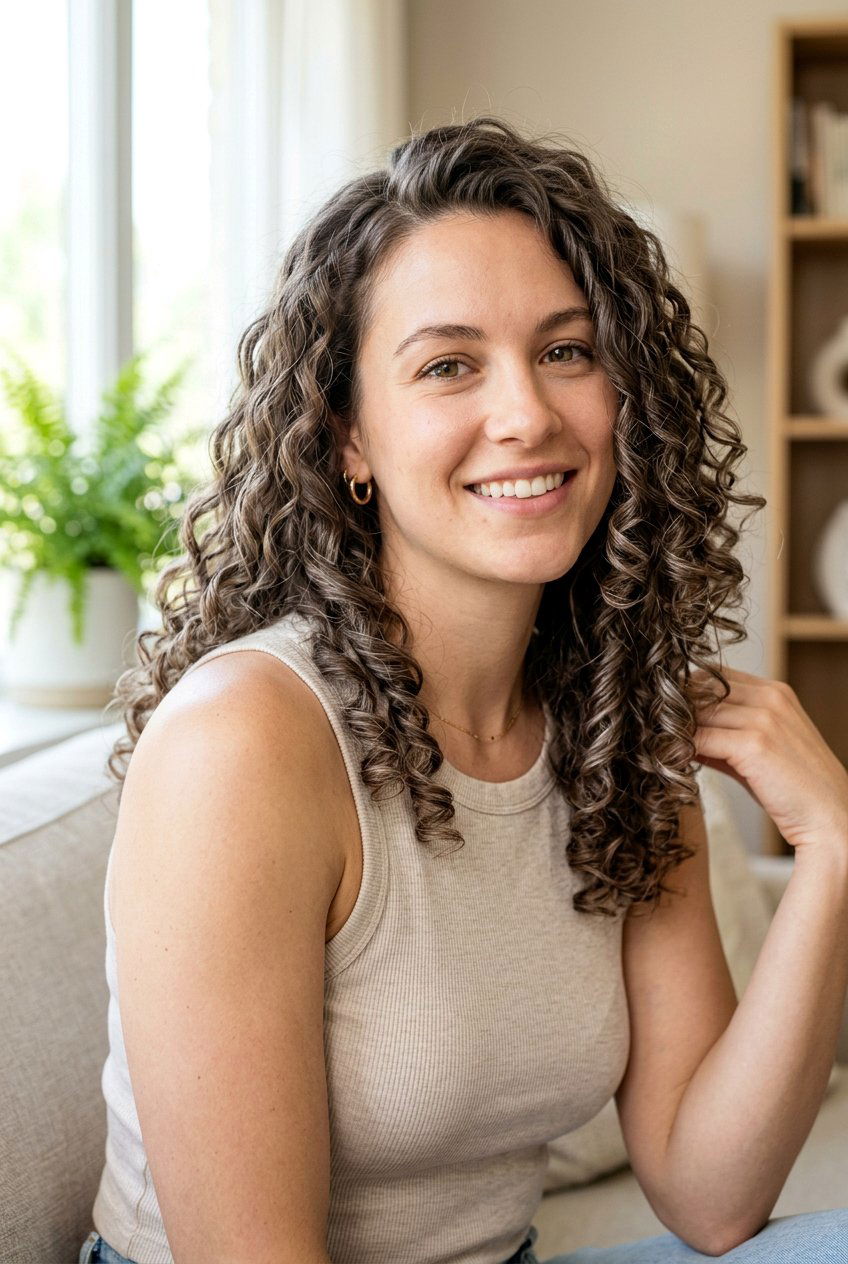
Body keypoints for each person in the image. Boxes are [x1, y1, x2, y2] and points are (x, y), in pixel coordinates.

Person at [79, 116, 848, 1264]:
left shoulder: (614, 724)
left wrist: (833, 846)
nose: (526, 414)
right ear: (345, 436)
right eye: (448, 365)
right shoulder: (243, 742)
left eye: (566, 351)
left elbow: (708, 1194)